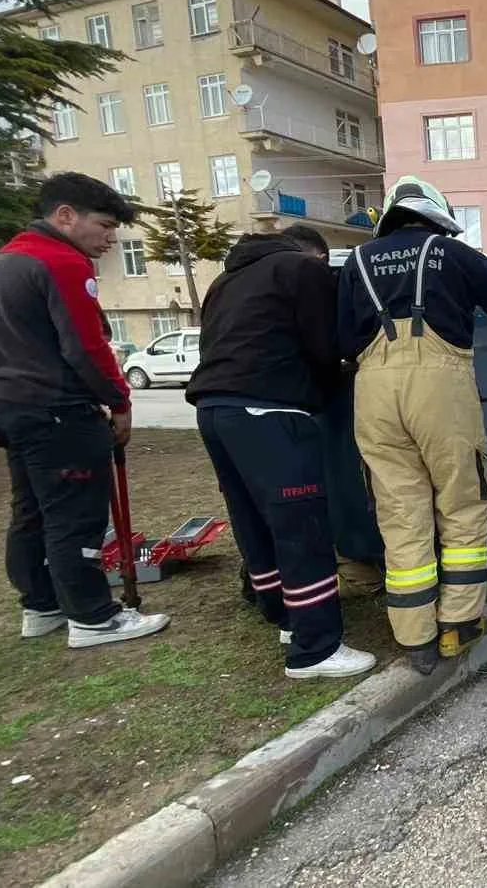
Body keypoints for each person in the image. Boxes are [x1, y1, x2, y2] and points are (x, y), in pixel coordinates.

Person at [338, 176, 487, 674]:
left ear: (392, 216)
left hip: (373, 390)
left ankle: (414, 639)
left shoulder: (356, 263)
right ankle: (457, 625)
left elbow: (343, 338)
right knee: (462, 500)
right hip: (439, 388)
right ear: (438, 216)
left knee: (400, 511)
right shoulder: (453, 255)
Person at [0, 173, 171, 646]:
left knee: (32, 511)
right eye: (103, 226)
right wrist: (119, 399)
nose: (110, 238)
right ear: (65, 216)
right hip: (57, 409)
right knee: (74, 517)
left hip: (9, 405)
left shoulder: (1, 262)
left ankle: (42, 605)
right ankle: (93, 616)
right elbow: (87, 345)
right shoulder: (60, 261)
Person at [187, 225, 375, 679]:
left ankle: (285, 617)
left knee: (254, 520)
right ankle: (315, 649)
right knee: (301, 524)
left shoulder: (226, 280)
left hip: (215, 409)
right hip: (269, 411)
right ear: (312, 254)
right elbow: (325, 347)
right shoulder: (299, 269)